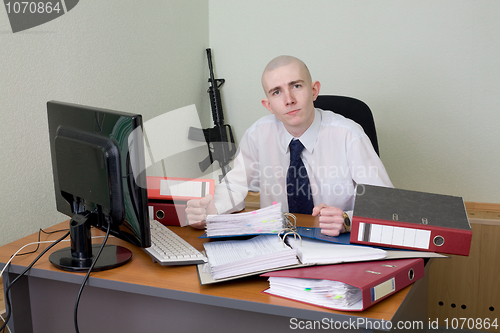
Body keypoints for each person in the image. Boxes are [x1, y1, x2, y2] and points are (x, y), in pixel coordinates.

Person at [186, 55, 393, 236]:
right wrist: (212, 210)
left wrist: (347, 220)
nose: (289, 100)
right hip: (278, 243)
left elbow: (386, 204)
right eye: (276, 92)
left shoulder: (349, 135)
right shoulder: (258, 134)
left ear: (314, 90)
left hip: (336, 244)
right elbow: (236, 186)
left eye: (296, 86)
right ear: (268, 105)